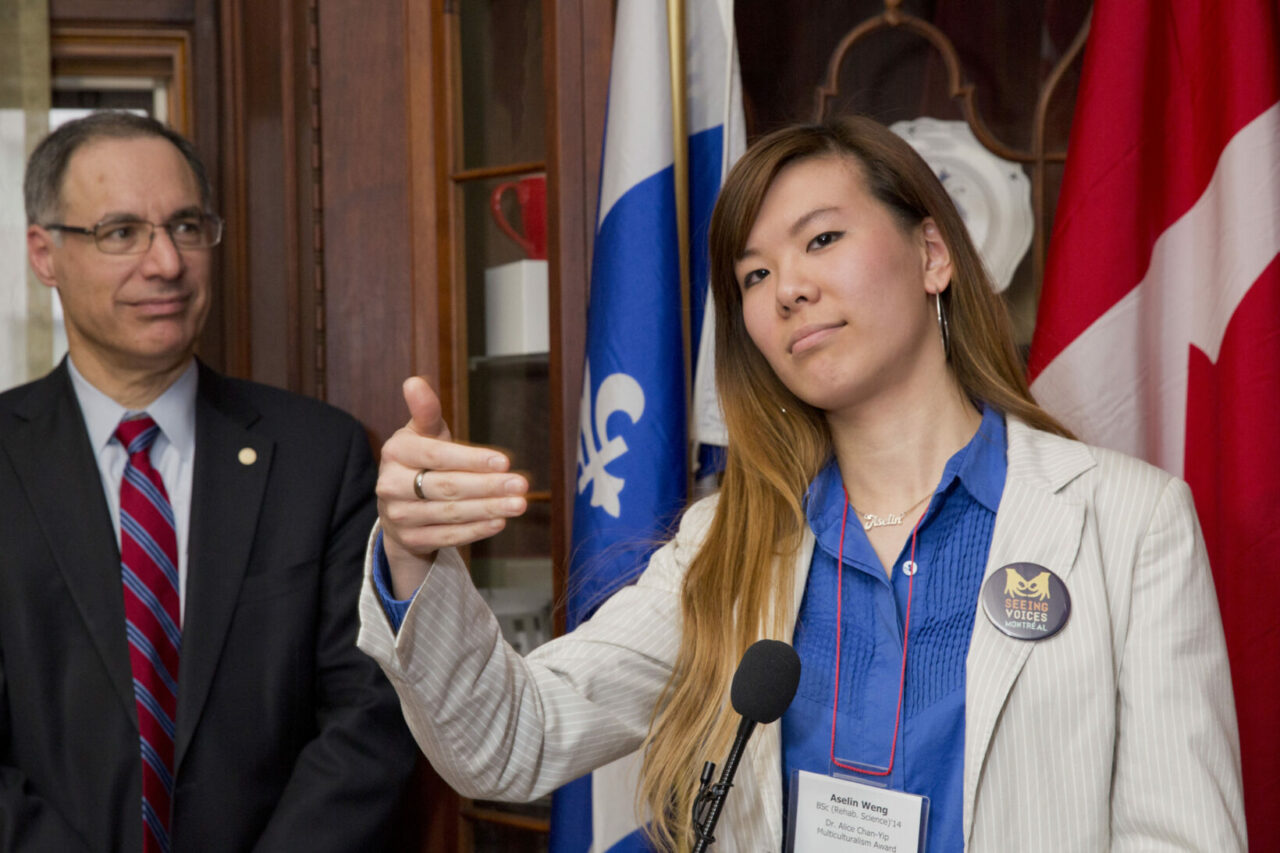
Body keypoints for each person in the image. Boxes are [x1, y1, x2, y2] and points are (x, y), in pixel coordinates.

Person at [357, 116, 1246, 851]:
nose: (788, 289)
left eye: (821, 238)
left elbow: (1183, 837)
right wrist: (412, 554)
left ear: (932, 254)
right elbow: (512, 739)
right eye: (754, 274)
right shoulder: (726, 542)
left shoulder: (1128, 520)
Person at [0, 111, 418, 852]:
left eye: (187, 226)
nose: (166, 263)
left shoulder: (322, 457)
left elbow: (369, 712)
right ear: (45, 252)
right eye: (121, 232)